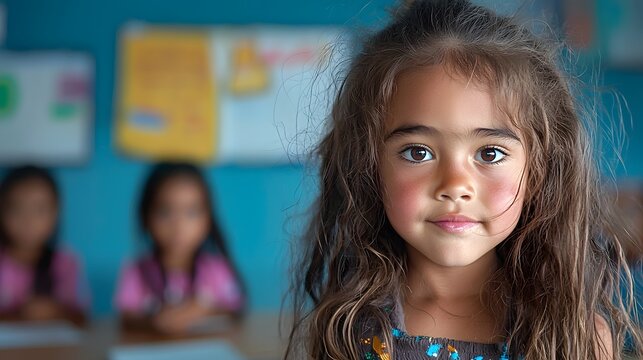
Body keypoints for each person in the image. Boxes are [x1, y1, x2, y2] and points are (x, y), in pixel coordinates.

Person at [286, 0, 642, 358]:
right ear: (369, 167)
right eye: (418, 153)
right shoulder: (350, 329)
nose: (455, 185)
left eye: (489, 154)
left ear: (539, 171)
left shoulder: (576, 336)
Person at [115, 162, 244, 334]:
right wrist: (156, 321)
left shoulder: (216, 269)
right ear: (146, 216)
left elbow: (234, 310)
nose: (179, 226)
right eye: (165, 212)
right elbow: (126, 318)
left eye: (191, 212)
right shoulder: (136, 271)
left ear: (208, 219)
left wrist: (201, 309)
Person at [0, 165, 88, 326]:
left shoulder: (66, 263)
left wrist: (56, 311)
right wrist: (18, 313)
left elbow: (82, 317)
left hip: (51, 349)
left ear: (56, 213)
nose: (28, 221)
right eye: (17, 209)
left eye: (39, 210)